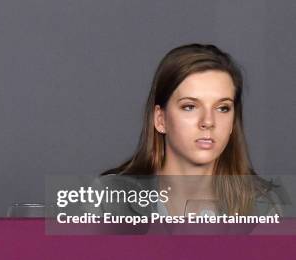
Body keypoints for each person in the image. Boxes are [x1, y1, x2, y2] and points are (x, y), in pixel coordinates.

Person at [99, 43, 284, 217]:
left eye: (222, 108)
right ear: (160, 119)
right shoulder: (112, 199)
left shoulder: (263, 206)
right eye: (189, 106)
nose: (208, 122)